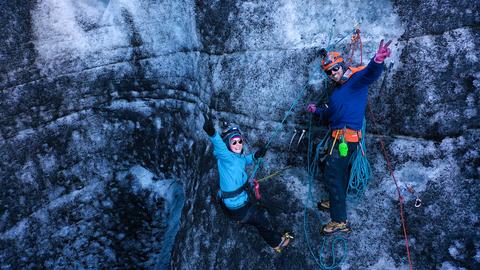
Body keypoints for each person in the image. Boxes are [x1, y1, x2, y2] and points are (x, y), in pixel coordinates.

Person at [306, 40, 392, 235]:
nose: (333, 73)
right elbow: (330, 113)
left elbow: (369, 74)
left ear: (342, 64)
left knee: (332, 175)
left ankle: (339, 221)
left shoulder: (354, 81)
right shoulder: (339, 90)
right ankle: (337, 201)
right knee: (337, 172)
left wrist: (377, 60)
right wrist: (316, 111)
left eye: (335, 68)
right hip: (338, 139)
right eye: (329, 72)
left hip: (346, 140)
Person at [202, 114, 293, 252]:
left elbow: (245, 160)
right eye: (234, 142)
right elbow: (219, 146)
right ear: (228, 145)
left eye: (240, 141)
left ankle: (249, 221)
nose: (238, 144)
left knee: (259, 211)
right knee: (261, 218)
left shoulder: (237, 158)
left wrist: (255, 156)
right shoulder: (226, 157)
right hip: (237, 207)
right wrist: (212, 133)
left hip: (235, 205)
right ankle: (277, 243)